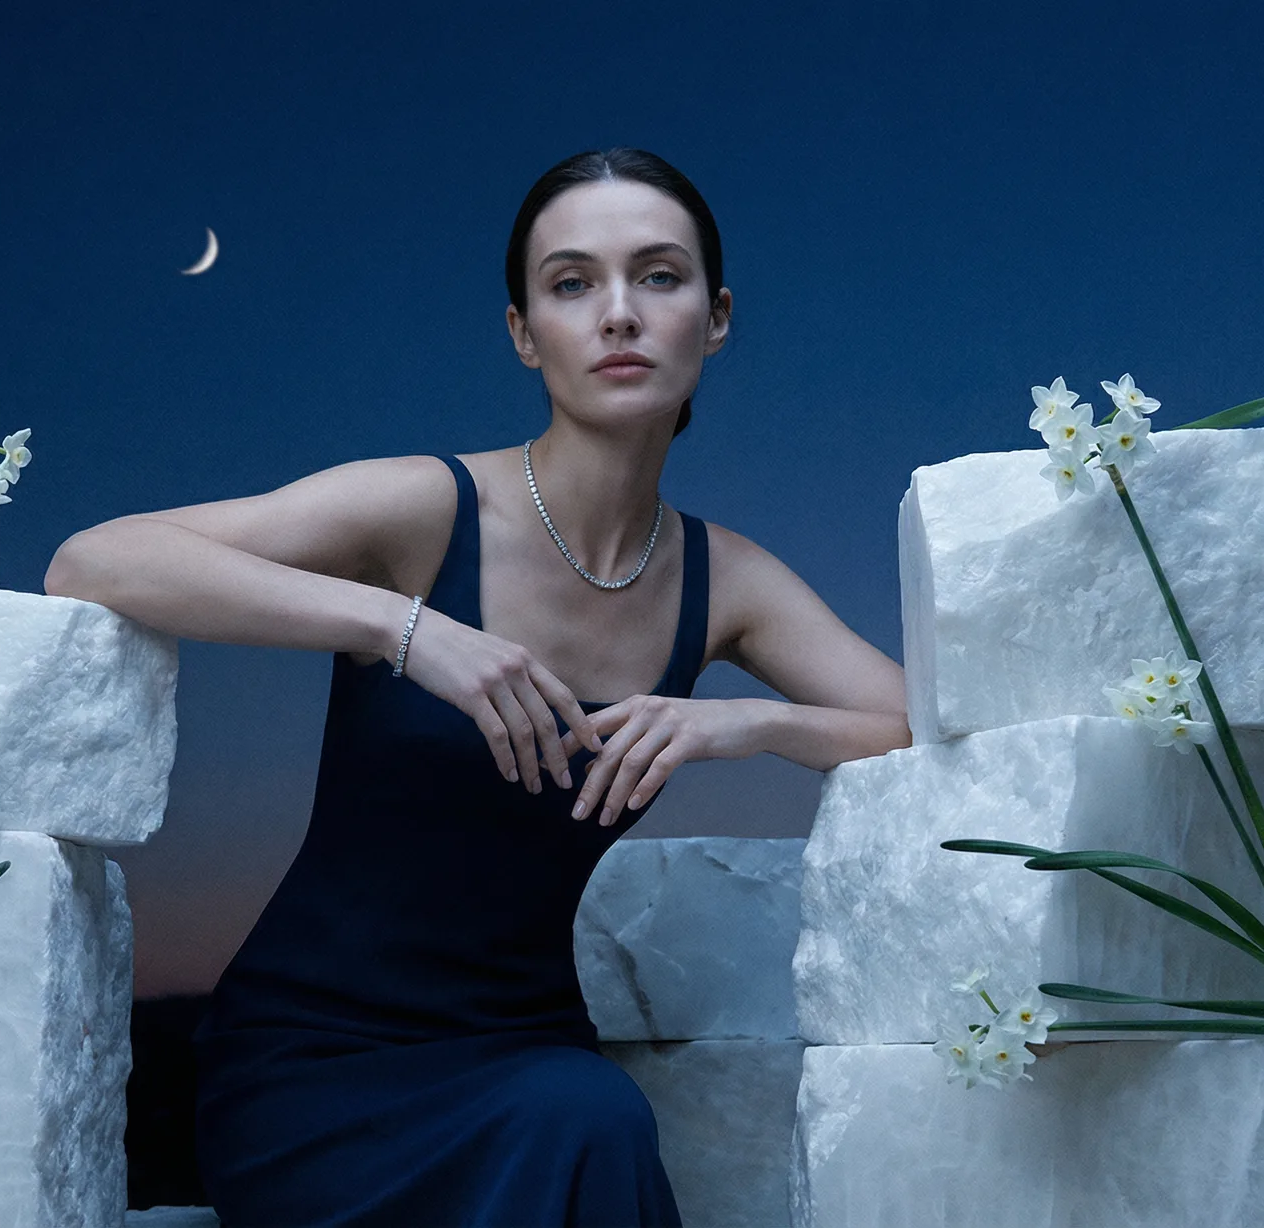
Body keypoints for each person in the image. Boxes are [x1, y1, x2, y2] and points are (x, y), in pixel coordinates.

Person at [44, 146, 911, 1227]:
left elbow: (915, 722)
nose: (619, 314)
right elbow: (97, 559)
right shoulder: (425, 509)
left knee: (587, 1117)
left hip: (526, 1053)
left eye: (658, 276)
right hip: (313, 1067)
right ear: (523, 332)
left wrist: (749, 720)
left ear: (716, 316)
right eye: (571, 283)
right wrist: (405, 628)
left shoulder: (724, 579)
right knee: (582, 1123)